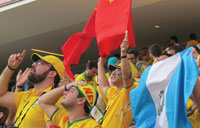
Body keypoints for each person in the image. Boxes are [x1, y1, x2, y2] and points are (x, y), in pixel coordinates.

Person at [0, 50, 65, 128]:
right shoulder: (28, 94)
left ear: (52, 73)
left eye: (40, 63)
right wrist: (10, 68)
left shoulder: (55, 99)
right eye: (35, 62)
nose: (33, 64)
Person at [98, 32, 137, 128]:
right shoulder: (113, 92)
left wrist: (123, 53)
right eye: (112, 70)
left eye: (118, 69)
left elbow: (127, 78)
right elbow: (103, 86)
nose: (113, 73)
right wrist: (100, 64)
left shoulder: (129, 91)